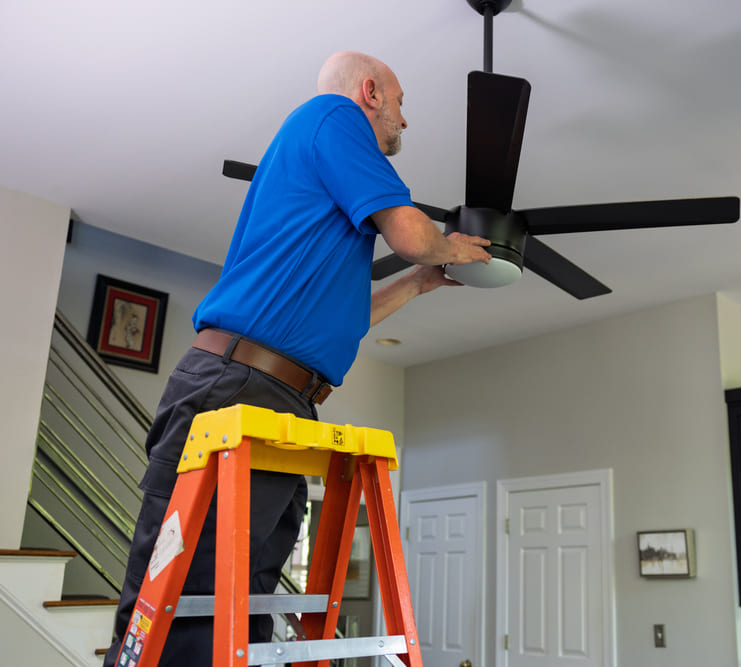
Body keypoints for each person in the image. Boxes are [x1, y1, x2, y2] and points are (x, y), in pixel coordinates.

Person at [104, 50, 491, 666]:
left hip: (279, 396)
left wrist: (416, 285)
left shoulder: (326, 189)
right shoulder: (333, 116)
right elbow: (411, 235)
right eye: (400, 104)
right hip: (237, 387)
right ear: (370, 92)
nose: (404, 121)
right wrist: (455, 248)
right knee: (190, 592)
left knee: (245, 594)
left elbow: (346, 320)